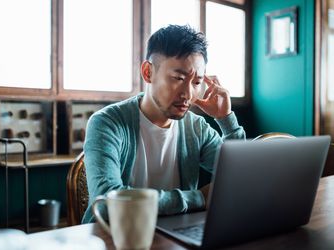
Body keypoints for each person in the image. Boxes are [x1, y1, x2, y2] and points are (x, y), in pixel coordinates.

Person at [82, 25, 246, 223]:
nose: (187, 94)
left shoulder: (196, 127)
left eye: (196, 82)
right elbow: (108, 203)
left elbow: (241, 179)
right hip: (114, 237)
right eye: (178, 78)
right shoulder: (107, 123)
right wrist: (199, 197)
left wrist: (225, 119)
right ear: (148, 72)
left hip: (176, 236)